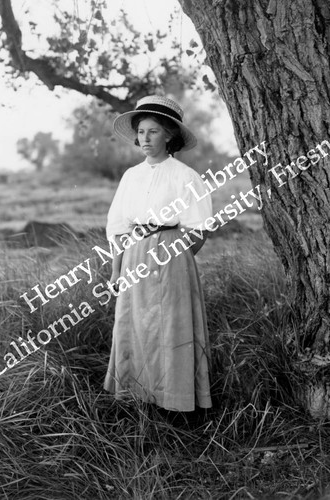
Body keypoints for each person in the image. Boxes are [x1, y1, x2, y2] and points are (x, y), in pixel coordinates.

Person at [104, 95, 212, 413]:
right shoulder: (131, 177)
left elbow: (198, 230)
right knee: (134, 324)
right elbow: (118, 229)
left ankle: (174, 402)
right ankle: (138, 398)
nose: (145, 139)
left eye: (153, 132)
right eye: (141, 132)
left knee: (170, 326)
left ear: (168, 135)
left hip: (173, 256)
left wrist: (174, 258)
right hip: (134, 255)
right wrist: (115, 271)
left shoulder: (185, 176)